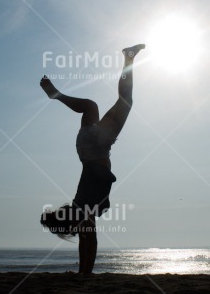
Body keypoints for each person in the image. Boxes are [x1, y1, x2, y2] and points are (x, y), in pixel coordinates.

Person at [40, 44, 145, 274]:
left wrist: (84, 275)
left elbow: (90, 242)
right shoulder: (81, 206)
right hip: (84, 146)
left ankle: (128, 57)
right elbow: (86, 242)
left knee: (125, 100)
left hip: (97, 148)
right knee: (90, 106)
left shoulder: (85, 208)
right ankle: (56, 95)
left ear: (71, 224)